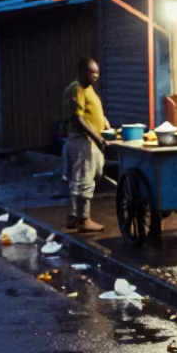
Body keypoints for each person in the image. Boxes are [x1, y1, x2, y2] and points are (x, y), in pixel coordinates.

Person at [63, 57, 110, 233]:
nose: (96, 76)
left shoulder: (87, 89)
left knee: (80, 179)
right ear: (82, 71)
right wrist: (97, 137)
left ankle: (72, 216)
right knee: (84, 181)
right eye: (92, 73)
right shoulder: (77, 89)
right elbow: (77, 118)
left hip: (85, 140)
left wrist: (103, 120)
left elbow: (91, 111)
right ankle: (84, 219)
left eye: (97, 73)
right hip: (84, 141)